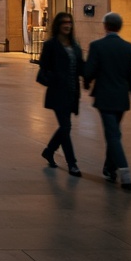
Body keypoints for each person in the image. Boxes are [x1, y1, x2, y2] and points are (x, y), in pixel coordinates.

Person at [83, 11, 131, 191]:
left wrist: (86, 82)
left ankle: (125, 173)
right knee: (114, 132)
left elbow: (89, 71)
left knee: (113, 135)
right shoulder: (127, 47)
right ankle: (109, 168)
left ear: (105, 26)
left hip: (104, 97)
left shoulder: (97, 46)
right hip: (121, 98)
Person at [37, 12, 84, 177]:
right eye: (64, 22)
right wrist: (54, 79)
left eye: (70, 22)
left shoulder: (74, 45)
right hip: (58, 92)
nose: (67, 25)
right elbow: (43, 66)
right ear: (58, 25)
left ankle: (49, 151)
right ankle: (72, 163)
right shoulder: (51, 45)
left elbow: (81, 67)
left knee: (66, 126)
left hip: (72, 91)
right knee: (66, 126)